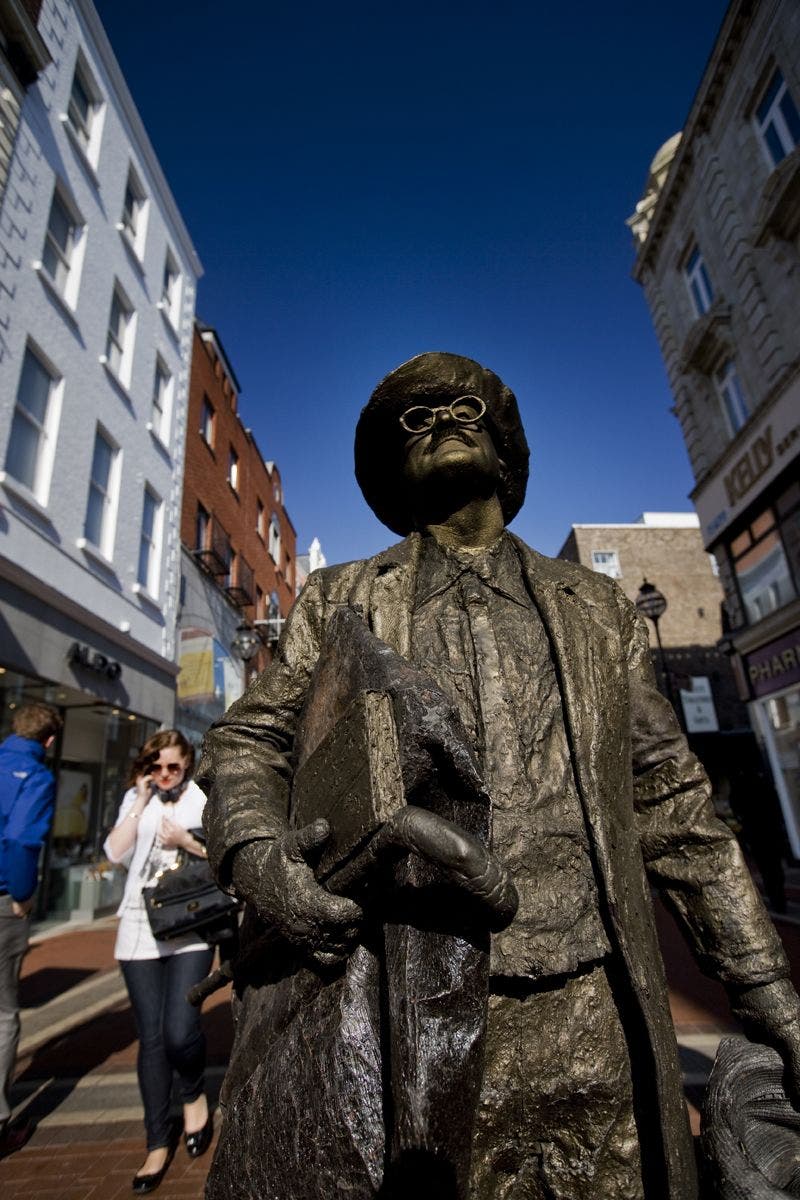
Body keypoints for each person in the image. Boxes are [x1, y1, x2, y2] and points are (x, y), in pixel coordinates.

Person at [198, 352, 800, 1200]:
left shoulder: (598, 611)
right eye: (415, 417)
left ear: (506, 448)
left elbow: (673, 807)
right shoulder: (342, 601)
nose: (442, 419)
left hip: (599, 1011)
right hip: (424, 1013)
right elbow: (245, 742)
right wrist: (259, 853)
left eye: (465, 407)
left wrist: (767, 988)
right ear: (388, 469)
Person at [104, 730, 214, 1195]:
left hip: (191, 923)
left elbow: (221, 854)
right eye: (156, 766)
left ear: (187, 765)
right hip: (138, 927)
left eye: (172, 766)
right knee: (150, 1039)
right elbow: (114, 852)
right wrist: (140, 800)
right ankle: (155, 1142)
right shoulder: (137, 795)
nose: (165, 774)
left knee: (179, 1030)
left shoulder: (203, 796)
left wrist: (186, 840)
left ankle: (191, 1092)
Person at [0, 701, 61, 1159]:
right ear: (49, 740)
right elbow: (21, 839)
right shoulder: (35, 777)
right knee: (2, 1013)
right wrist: (22, 893)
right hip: (3, 901)